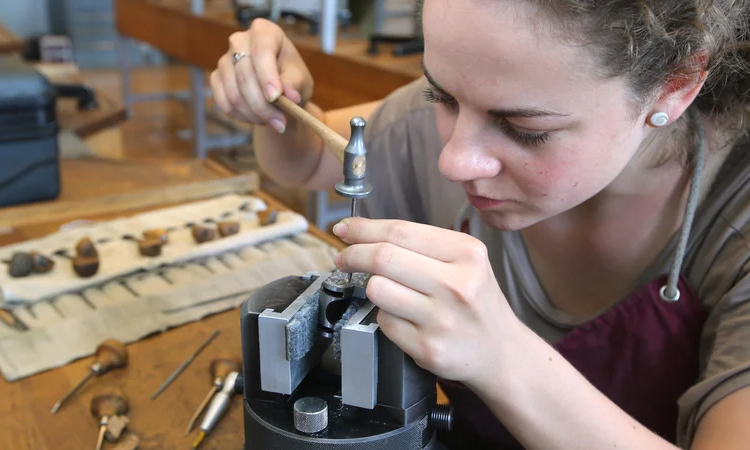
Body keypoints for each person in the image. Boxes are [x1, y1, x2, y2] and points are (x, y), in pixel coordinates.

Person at [210, 1, 750, 448]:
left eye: (523, 128)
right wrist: (274, 101)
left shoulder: (734, 216)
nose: (453, 161)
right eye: (440, 95)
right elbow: (305, 160)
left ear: (674, 88)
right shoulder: (452, 119)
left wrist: (501, 356)